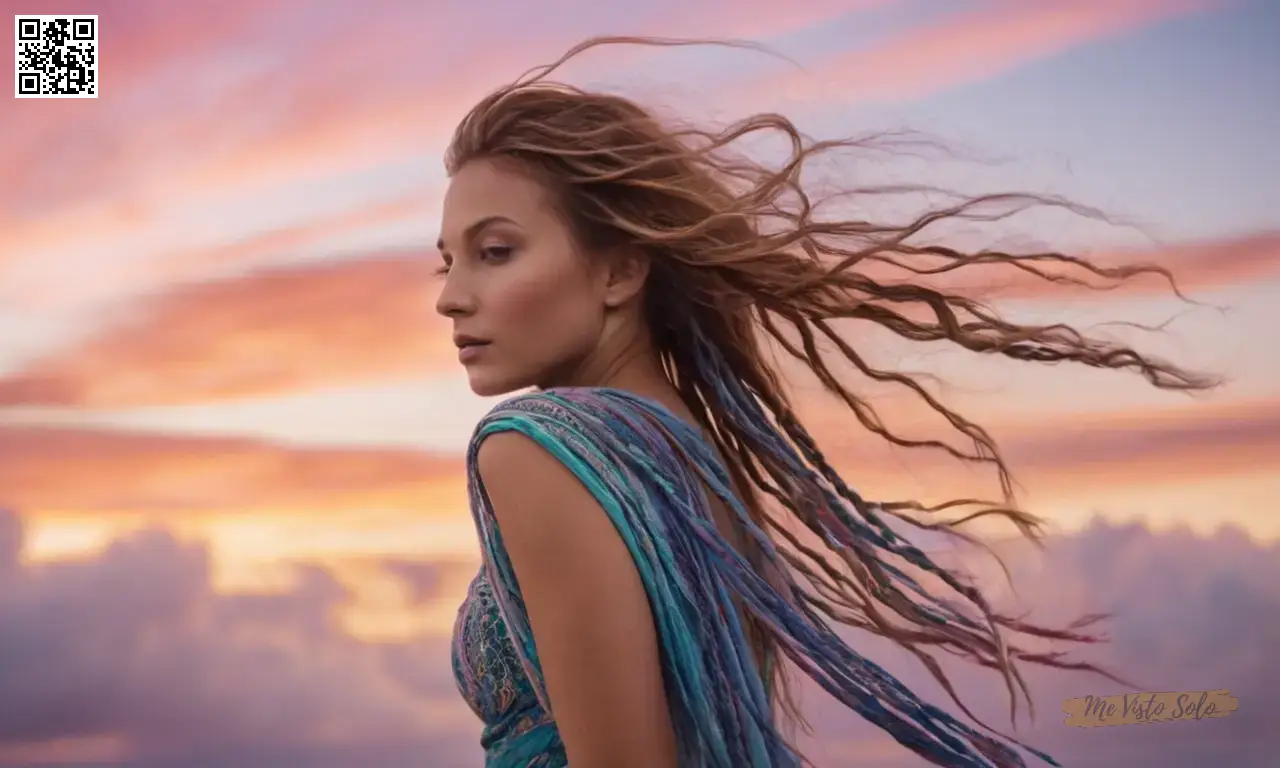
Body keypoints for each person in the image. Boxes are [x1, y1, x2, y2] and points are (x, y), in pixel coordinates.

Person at [436, 37, 1213, 768]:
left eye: (495, 252)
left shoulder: (536, 448)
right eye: (447, 262)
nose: (451, 298)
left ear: (621, 272)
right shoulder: (700, 458)